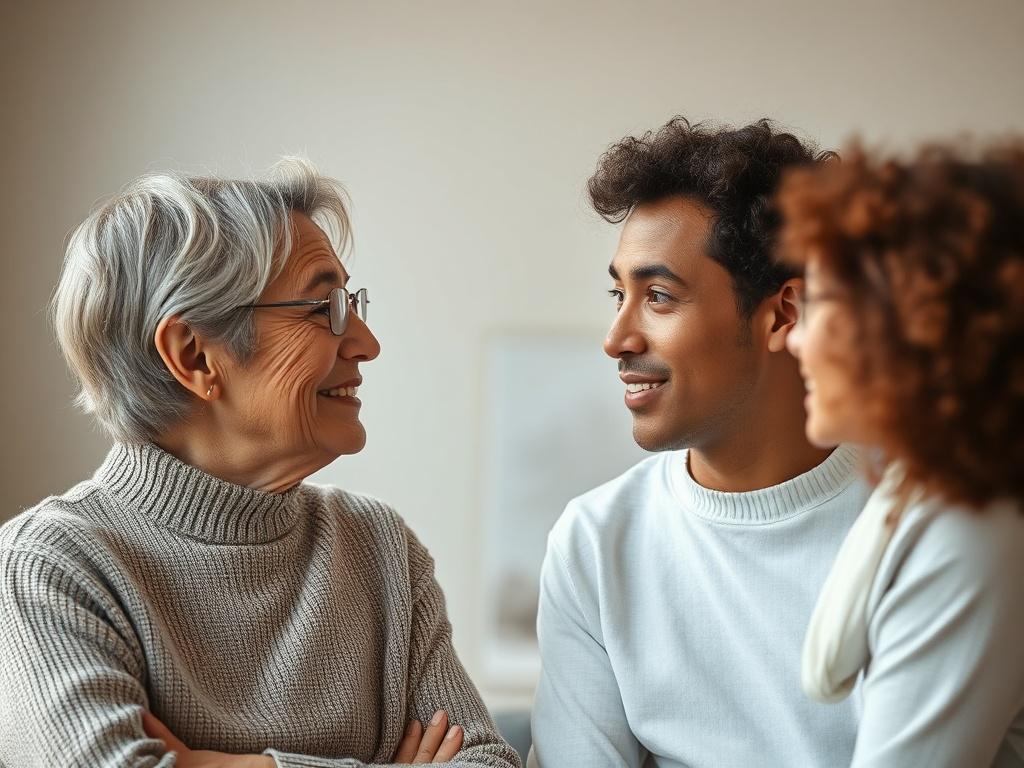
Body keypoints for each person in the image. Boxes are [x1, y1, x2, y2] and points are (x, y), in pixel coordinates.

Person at [0, 159, 520, 768]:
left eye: (351, 303)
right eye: (322, 308)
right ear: (194, 355)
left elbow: (489, 763)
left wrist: (223, 764)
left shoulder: (380, 549)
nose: (367, 343)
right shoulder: (47, 567)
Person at [529, 118, 870, 767]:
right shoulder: (594, 543)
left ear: (782, 315)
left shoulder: (926, 525)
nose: (616, 338)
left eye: (659, 296)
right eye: (617, 294)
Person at [779, 143, 1024, 766]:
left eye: (820, 304)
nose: (796, 339)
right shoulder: (926, 497)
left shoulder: (972, 529)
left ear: (912, 320)